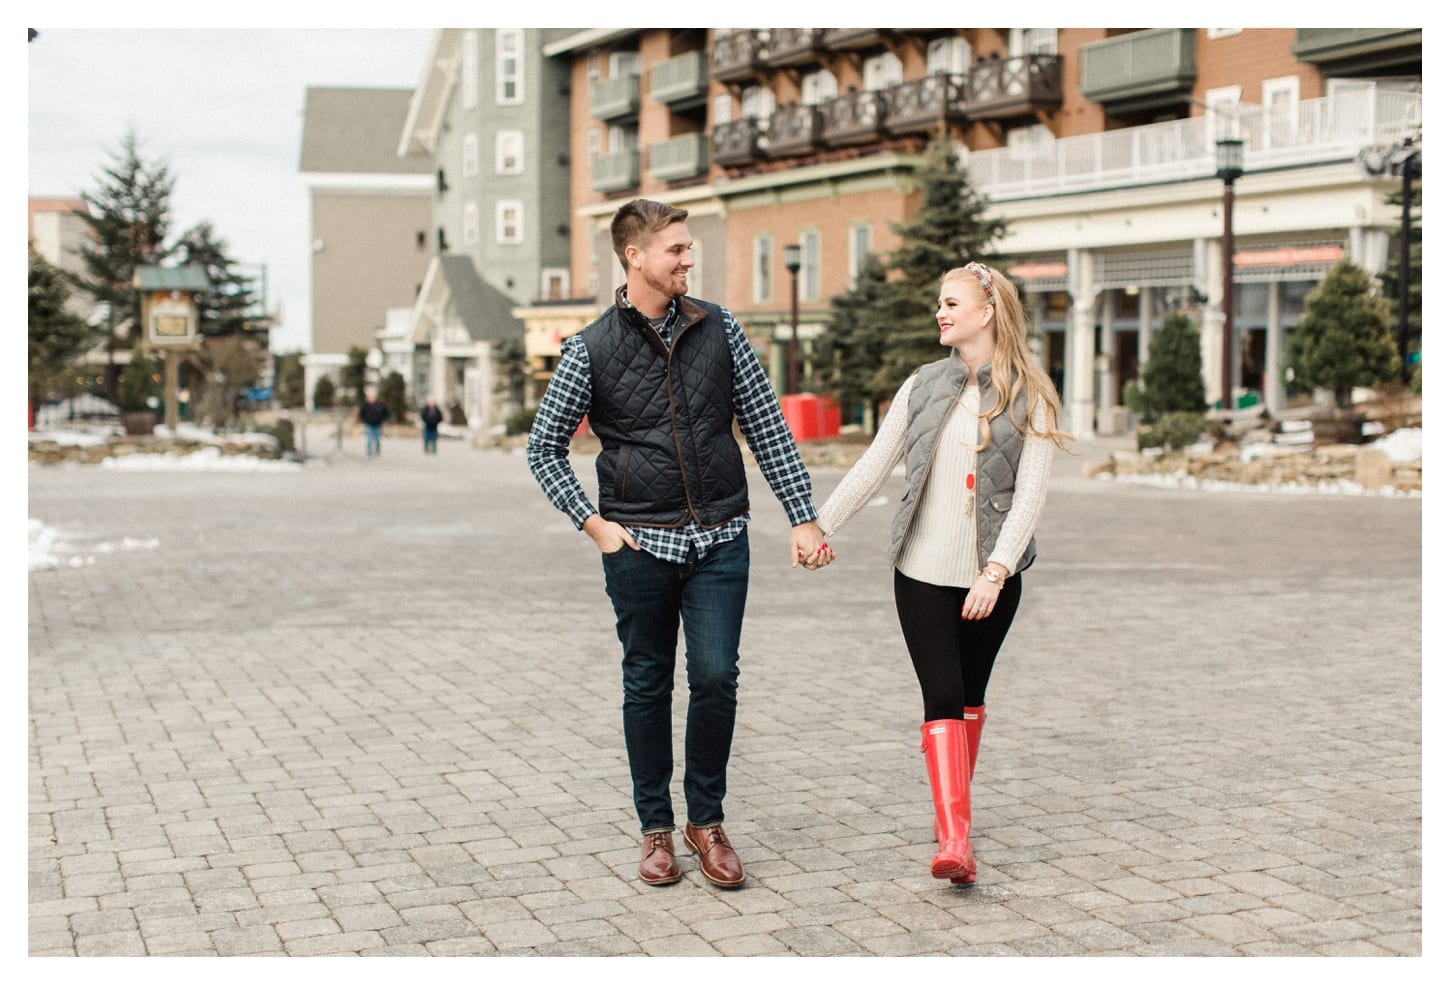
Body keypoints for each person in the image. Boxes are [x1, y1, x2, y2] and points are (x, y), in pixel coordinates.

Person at [526, 198, 833, 890]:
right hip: (639, 545)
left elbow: (767, 425)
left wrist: (803, 515)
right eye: (676, 249)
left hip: (721, 536)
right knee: (647, 681)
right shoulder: (590, 347)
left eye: (689, 248)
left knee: (717, 674)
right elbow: (543, 448)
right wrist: (595, 525)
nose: (689, 259)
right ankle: (655, 828)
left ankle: (708, 819)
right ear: (634, 255)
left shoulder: (720, 329)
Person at [816, 261, 1071, 885]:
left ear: (987, 312)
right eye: (939, 303)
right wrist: (820, 525)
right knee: (942, 694)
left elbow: (1031, 494)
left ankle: (951, 811)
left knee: (971, 697)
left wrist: (995, 571)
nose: (941, 312)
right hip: (922, 571)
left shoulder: (1029, 393)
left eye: (952, 303)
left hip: (994, 578)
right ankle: (955, 838)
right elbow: (876, 464)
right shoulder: (923, 384)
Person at [358, 387, 389, 459]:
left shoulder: (381, 404)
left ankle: (377, 452)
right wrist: (363, 420)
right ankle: (369, 454)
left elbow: (386, 414)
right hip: (369, 425)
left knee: (377, 440)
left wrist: (384, 420)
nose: (372, 397)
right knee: (369, 439)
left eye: (373, 396)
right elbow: (361, 414)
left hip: (378, 425)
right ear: (368, 397)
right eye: (370, 396)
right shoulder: (364, 405)